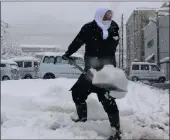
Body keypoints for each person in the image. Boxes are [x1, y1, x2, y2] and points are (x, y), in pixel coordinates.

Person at [62, 8, 121, 140]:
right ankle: (82, 120)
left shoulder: (113, 27)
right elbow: (78, 41)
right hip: (90, 71)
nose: (109, 17)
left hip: (106, 71)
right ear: (99, 15)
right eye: (106, 15)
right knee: (77, 92)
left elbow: (112, 45)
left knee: (108, 99)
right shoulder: (88, 28)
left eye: (110, 15)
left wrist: (105, 37)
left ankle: (115, 130)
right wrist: (68, 53)